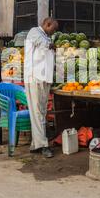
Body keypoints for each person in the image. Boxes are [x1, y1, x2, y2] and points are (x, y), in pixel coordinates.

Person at [24, 17, 58, 158]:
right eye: (53, 29)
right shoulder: (35, 32)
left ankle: (35, 144)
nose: (53, 32)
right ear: (47, 24)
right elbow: (43, 44)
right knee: (38, 112)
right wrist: (52, 44)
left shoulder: (46, 36)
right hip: (34, 78)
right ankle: (43, 145)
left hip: (44, 79)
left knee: (42, 112)